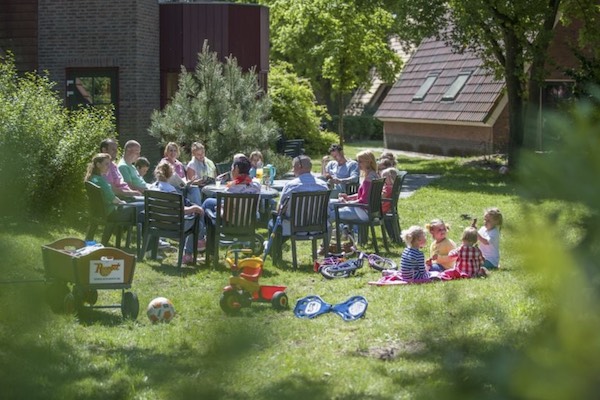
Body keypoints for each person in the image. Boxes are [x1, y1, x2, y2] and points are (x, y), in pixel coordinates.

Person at [151, 161, 205, 264]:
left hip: (156, 224)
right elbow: (180, 210)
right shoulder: (170, 190)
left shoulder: (152, 187)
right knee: (198, 224)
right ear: (171, 174)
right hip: (174, 226)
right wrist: (194, 208)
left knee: (193, 219)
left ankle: (199, 244)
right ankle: (190, 252)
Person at [274, 155, 329, 236]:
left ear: (299, 166)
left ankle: (273, 248)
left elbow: (280, 210)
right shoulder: (323, 186)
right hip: (317, 227)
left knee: (272, 223)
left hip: (293, 227)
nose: (292, 170)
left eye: (293, 167)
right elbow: (327, 209)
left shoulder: (291, 186)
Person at [84, 153, 140, 224]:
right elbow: (113, 199)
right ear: (98, 165)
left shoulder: (92, 178)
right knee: (143, 207)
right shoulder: (101, 181)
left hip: (101, 212)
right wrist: (122, 203)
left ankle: (119, 233)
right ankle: (146, 234)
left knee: (138, 206)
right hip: (111, 213)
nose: (109, 167)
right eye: (106, 164)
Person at [329, 150, 378, 225]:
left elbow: (363, 201)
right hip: (366, 210)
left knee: (330, 214)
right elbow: (364, 195)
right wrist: (348, 197)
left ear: (369, 162)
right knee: (329, 203)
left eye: (360, 162)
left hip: (362, 212)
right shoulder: (374, 175)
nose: (358, 164)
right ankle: (345, 231)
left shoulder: (368, 179)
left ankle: (327, 234)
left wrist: (347, 203)